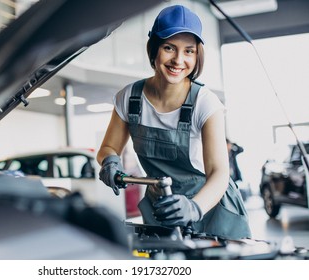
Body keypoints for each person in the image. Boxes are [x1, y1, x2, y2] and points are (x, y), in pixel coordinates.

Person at [97, 5, 251, 239]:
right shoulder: (129, 98)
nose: (178, 60)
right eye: (169, 48)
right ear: (154, 48)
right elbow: (108, 148)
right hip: (163, 207)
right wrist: (110, 162)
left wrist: (194, 207)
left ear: (197, 55)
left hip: (213, 207)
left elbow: (219, 172)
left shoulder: (205, 102)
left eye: (189, 51)